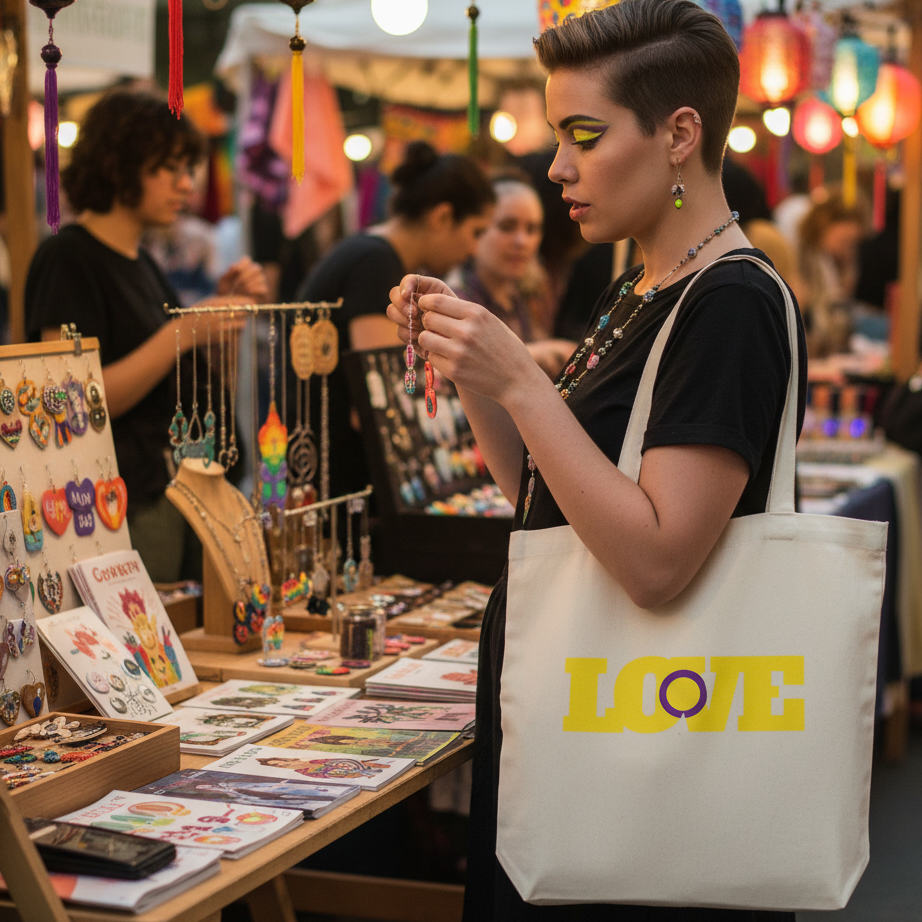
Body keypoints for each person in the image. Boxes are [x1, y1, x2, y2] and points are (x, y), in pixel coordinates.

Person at [387, 1, 807, 918]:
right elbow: (548, 499)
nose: (557, 166)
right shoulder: (646, 284)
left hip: (640, 716)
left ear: (679, 135)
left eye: (585, 133)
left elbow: (656, 561)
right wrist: (473, 362)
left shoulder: (727, 301)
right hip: (579, 703)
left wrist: (526, 386)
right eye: (557, 135)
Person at [25, 90, 265, 582]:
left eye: (188, 168)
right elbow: (70, 404)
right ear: (121, 164)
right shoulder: (69, 258)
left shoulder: (142, 261)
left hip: (177, 487)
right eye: (168, 168)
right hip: (125, 501)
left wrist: (214, 323)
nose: (186, 185)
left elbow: (176, 376)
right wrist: (183, 330)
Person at [296, 140, 495, 500]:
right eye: (476, 232)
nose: (473, 251)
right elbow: (381, 400)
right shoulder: (375, 263)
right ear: (442, 217)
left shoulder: (369, 252)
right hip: (333, 483)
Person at [450, 176, 576, 375]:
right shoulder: (454, 297)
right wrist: (538, 353)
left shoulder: (522, 296)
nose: (522, 241)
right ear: (478, 228)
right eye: (507, 226)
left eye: (532, 229)